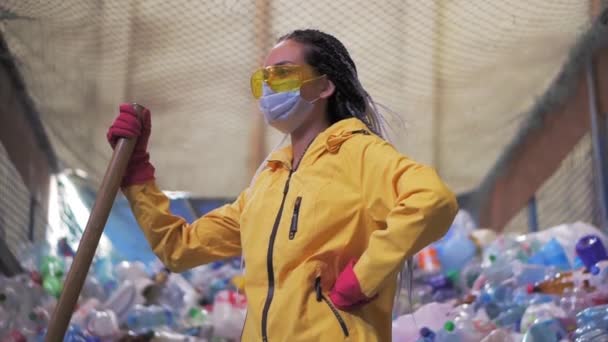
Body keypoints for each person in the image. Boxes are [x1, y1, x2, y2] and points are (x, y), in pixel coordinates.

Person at [107, 29, 458, 342]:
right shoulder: (268, 182)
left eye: (284, 74)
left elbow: (432, 200)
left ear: (324, 85)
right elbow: (180, 249)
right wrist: (138, 176)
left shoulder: (359, 152)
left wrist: (364, 277)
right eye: (264, 79)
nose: (270, 87)